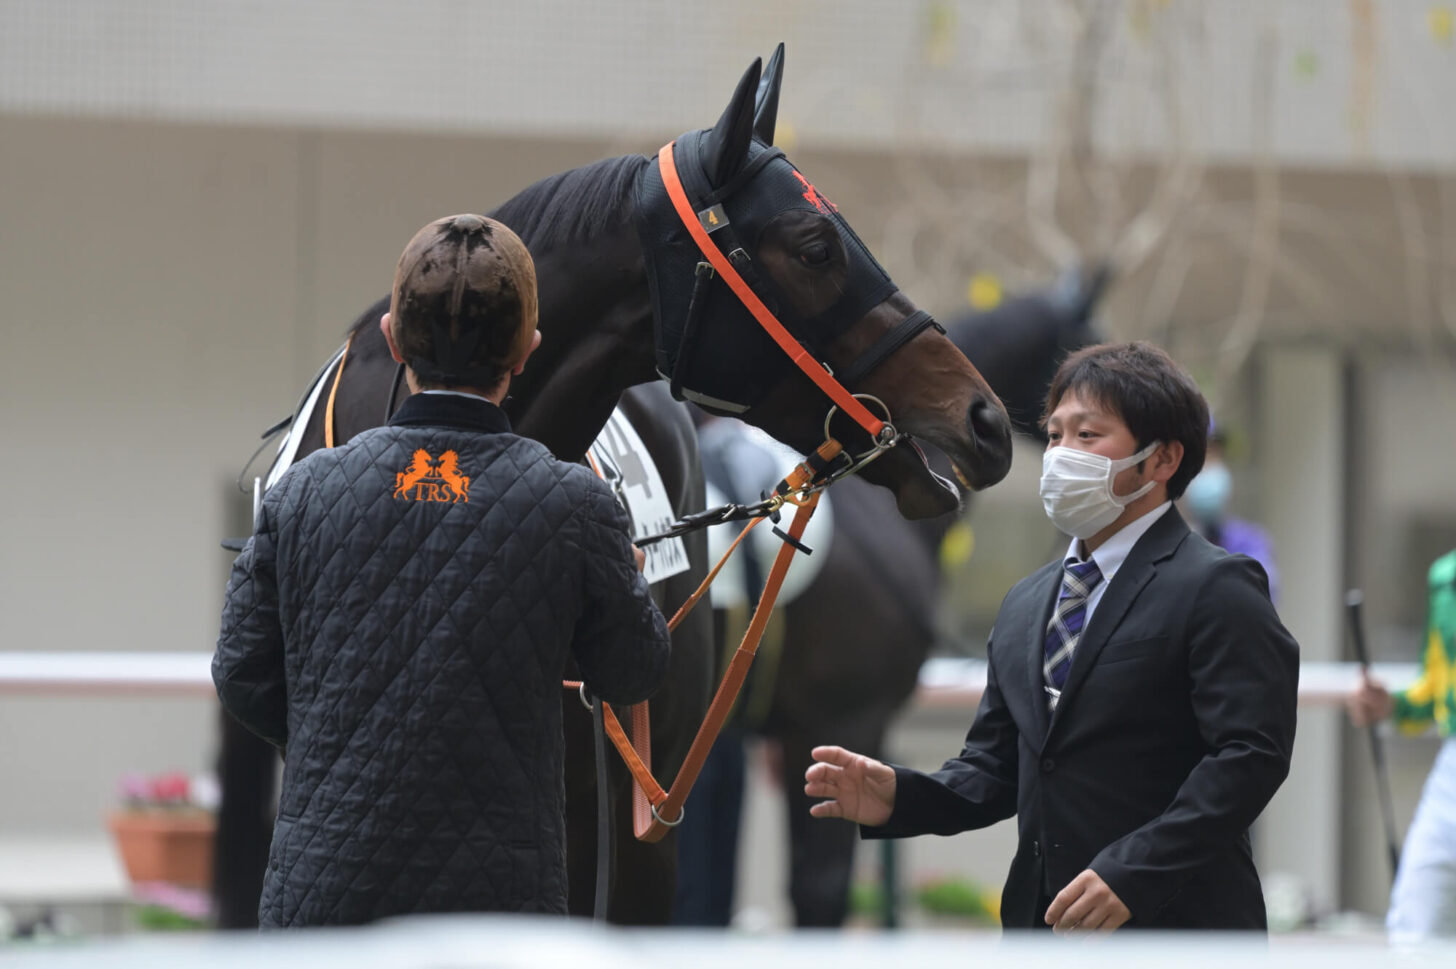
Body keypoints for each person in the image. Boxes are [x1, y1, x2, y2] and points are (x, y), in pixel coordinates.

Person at [213, 214, 672, 927]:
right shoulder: (577, 503)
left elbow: (241, 673)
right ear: (527, 351)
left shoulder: (301, 490)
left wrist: (332, 750)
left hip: (320, 901)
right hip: (500, 910)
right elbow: (636, 670)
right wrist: (629, 583)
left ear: (393, 339)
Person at [804, 341, 1298, 933]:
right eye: (1056, 435)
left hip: (1180, 928)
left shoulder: (1217, 585)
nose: (1062, 454)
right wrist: (902, 796)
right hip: (1043, 928)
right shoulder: (1026, 602)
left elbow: (1250, 754)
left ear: (1163, 459)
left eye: (1088, 436)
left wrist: (1134, 871)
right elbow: (996, 767)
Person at [1347, 548, 1456, 942]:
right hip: (1451, 773)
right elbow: (1437, 688)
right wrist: (1392, 704)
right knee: (1414, 930)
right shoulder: (1446, 575)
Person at [1181, 424, 1280, 603]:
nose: (1209, 468)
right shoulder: (1160, 542)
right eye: (1200, 459)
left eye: (1215, 456)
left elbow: (1260, 596)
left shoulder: (1249, 540)